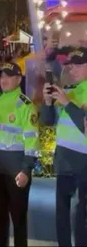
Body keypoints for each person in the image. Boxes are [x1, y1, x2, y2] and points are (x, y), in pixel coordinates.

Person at [0, 62, 40, 247]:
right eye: (2, 76)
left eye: (8, 76)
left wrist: (26, 170)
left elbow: (32, 140)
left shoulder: (25, 105)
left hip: (17, 174)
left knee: (18, 221)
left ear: (19, 79)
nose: (4, 80)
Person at [40, 47, 87, 247]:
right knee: (62, 214)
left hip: (83, 163)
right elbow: (48, 121)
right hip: (63, 161)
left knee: (82, 217)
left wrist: (67, 103)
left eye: (77, 65)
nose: (72, 70)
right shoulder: (69, 90)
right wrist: (48, 102)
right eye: (70, 66)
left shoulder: (72, 95)